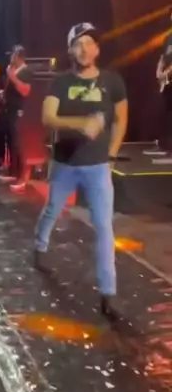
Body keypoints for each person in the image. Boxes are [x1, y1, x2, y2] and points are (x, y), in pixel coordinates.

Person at [33, 23, 128, 320]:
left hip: (98, 167)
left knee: (104, 228)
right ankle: (39, 245)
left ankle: (108, 293)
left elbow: (121, 119)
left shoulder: (112, 81)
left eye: (89, 43)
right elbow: (48, 117)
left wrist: (111, 154)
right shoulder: (61, 82)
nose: (84, 49)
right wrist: (81, 124)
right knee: (52, 208)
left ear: (97, 49)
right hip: (65, 165)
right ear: (70, 50)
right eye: (78, 44)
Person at [0, 45, 32, 190]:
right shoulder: (14, 70)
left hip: (19, 111)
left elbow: (25, 91)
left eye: (12, 55)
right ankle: (13, 172)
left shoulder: (26, 71)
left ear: (18, 57)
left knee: (18, 144)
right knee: (11, 141)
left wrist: (12, 77)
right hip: (9, 109)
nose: (10, 58)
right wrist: (3, 94)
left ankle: (22, 178)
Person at [156, 16, 172, 154]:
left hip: (169, 77)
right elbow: (162, 57)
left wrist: (166, 73)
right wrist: (159, 72)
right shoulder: (168, 38)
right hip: (167, 83)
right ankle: (164, 145)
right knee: (166, 113)